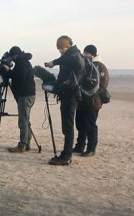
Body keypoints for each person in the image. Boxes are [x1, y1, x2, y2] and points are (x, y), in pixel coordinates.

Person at [45, 35, 85, 165]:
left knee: (68, 126)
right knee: (66, 126)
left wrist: (55, 62)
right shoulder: (70, 56)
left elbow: (74, 62)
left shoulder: (75, 56)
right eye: (59, 49)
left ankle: (66, 157)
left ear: (67, 46)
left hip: (71, 96)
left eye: (61, 48)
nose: (60, 51)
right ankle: (65, 154)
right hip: (66, 94)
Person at [74, 44, 110, 157]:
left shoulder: (99, 66)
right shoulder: (84, 65)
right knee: (80, 124)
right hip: (81, 101)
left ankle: (91, 148)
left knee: (90, 125)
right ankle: (80, 146)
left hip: (93, 102)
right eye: (84, 52)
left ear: (92, 54)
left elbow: (103, 84)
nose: (85, 55)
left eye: (87, 53)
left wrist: (91, 93)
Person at [1, 46, 36, 153]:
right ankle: (27, 144)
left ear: (15, 55)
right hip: (26, 94)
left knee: (23, 121)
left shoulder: (22, 63)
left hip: (25, 95)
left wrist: (8, 71)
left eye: (12, 56)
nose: (11, 59)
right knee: (25, 119)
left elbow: (20, 76)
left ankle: (22, 145)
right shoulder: (23, 61)